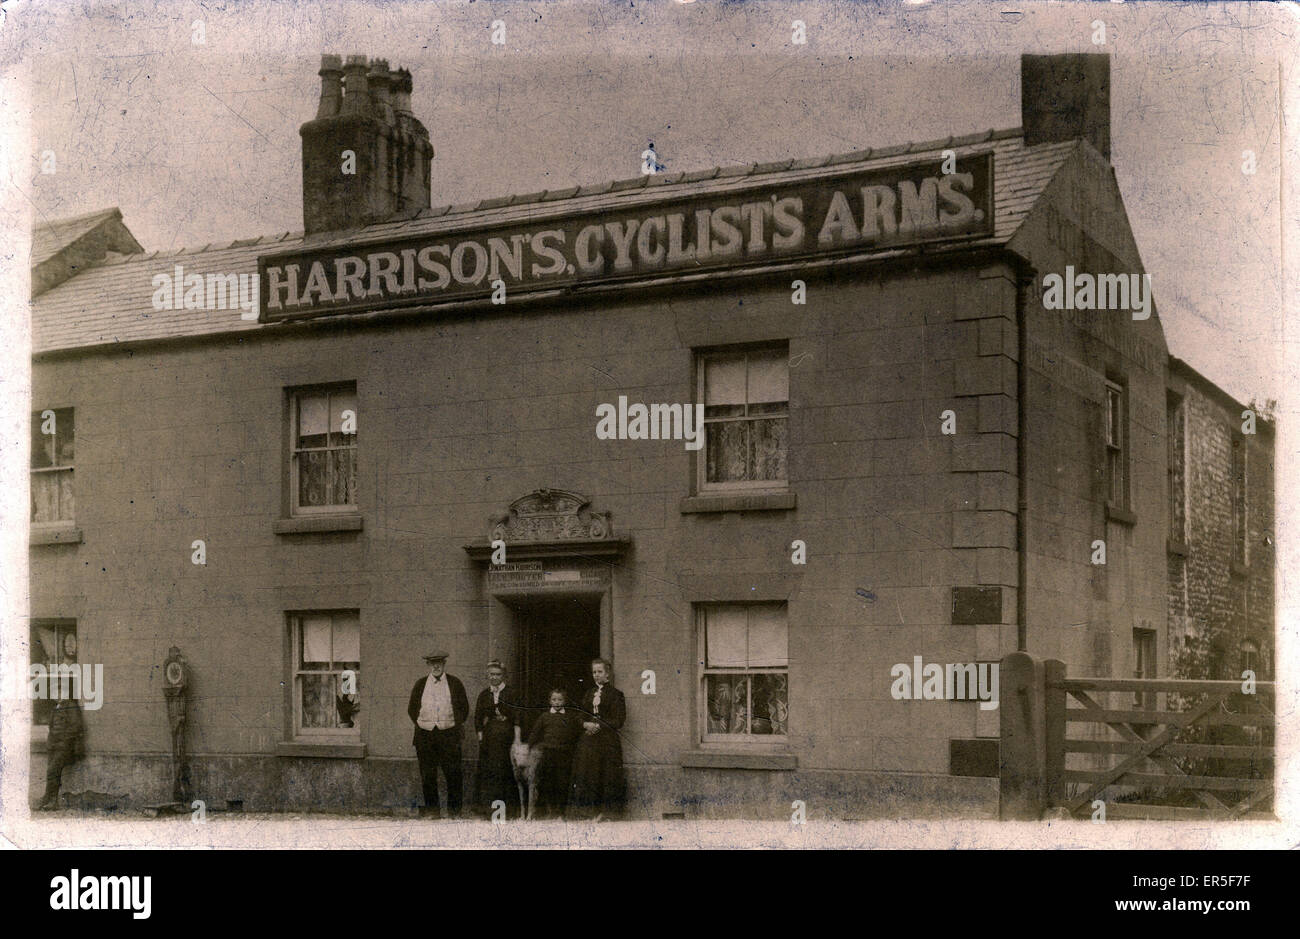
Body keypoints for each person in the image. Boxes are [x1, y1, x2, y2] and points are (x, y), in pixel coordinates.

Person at [407, 651, 469, 819]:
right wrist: (424, 724)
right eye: (433, 663)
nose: (436, 666)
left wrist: (452, 726)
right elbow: (412, 709)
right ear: (428, 665)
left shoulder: (455, 683)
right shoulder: (420, 684)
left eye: (439, 663)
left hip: (449, 735)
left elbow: (464, 708)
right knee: (428, 775)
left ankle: (455, 812)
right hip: (425, 736)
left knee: (453, 774)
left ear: (444, 664)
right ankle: (433, 811)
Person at [570, 658, 626, 821]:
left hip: (607, 741)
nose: (596, 675)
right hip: (589, 740)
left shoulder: (616, 695)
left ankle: (606, 813)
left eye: (599, 672)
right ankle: (588, 812)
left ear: (607, 673)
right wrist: (585, 724)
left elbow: (619, 720)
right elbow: (580, 714)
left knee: (606, 776)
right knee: (588, 774)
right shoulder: (588, 694)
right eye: (594, 672)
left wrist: (599, 725)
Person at [473, 660, 522, 819]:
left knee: (504, 773)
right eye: (492, 675)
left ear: (504, 676)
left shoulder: (512, 693)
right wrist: (480, 734)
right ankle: (491, 812)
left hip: (506, 740)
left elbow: (517, 718)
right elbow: (478, 717)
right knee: (489, 773)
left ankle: (506, 812)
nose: (494, 677)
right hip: (489, 741)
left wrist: (516, 740)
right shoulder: (484, 694)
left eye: (498, 674)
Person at [526, 688, 581, 820]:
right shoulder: (544, 717)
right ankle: (548, 811)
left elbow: (574, 734)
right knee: (547, 782)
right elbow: (535, 733)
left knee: (562, 782)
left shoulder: (569, 717)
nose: (557, 702)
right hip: (548, 754)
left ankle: (560, 812)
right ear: (550, 701)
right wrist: (529, 746)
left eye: (560, 699)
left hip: (564, 754)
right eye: (554, 699)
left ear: (565, 701)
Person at [38, 695, 85, 811]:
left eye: (58, 692)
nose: (55, 696)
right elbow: (51, 727)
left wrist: (62, 739)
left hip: (65, 747)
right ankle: (47, 799)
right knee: (52, 772)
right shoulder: (56, 707)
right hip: (54, 746)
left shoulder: (71, 706)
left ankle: (52, 801)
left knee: (52, 770)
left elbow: (76, 727)